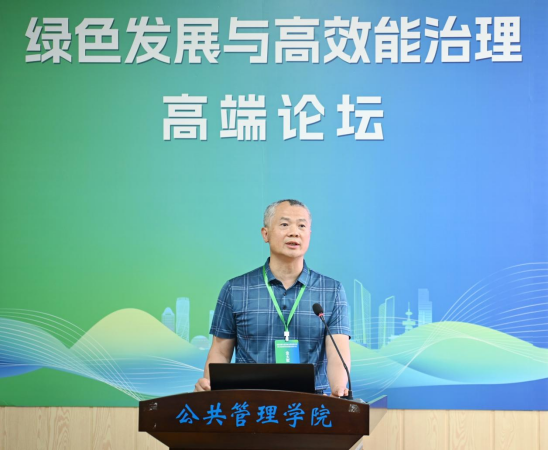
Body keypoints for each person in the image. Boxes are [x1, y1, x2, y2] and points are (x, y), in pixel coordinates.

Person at [194, 199, 351, 396]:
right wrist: (209, 387)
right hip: (249, 402)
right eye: (284, 224)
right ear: (265, 234)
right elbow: (220, 351)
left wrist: (338, 389)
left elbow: (338, 352)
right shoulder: (236, 289)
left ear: (309, 235)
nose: (294, 232)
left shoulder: (331, 291)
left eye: (302, 226)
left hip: (309, 405)